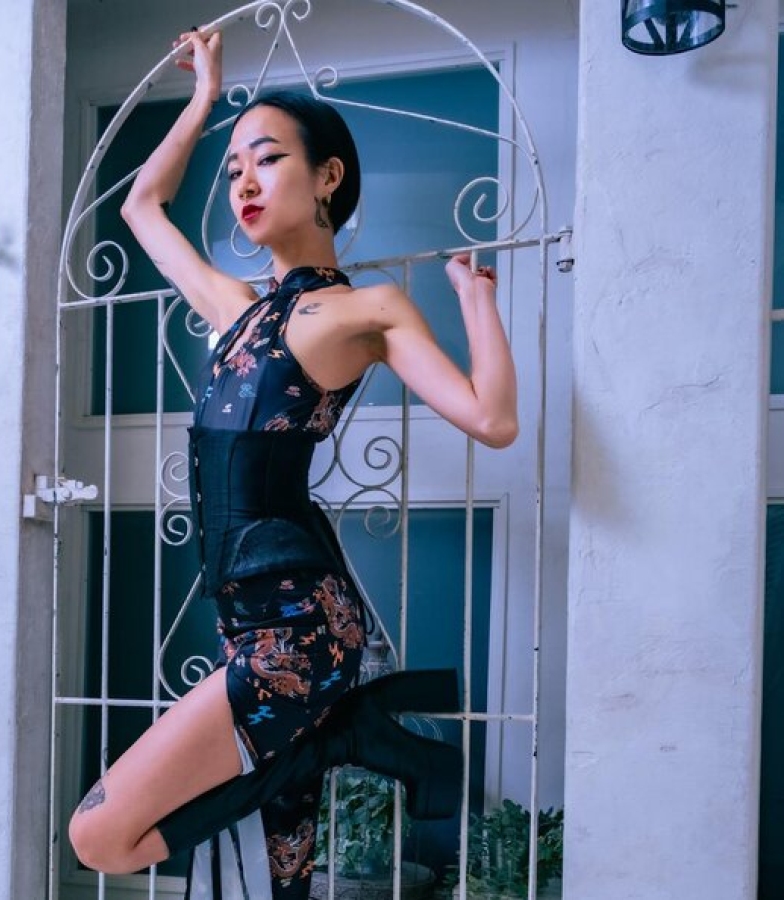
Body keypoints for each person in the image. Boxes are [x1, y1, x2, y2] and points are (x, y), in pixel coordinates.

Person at [68, 26, 518, 900]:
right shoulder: (236, 310)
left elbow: (492, 420)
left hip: (300, 629)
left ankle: (341, 736)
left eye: (268, 159)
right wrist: (204, 97)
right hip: (247, 622)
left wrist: (477, 302)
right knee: (288, 883)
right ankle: (343, 739)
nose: (243, 180)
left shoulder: (364, 311)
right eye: (234, 166)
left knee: (99, 836)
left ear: (328, 177)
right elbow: (140, 209)